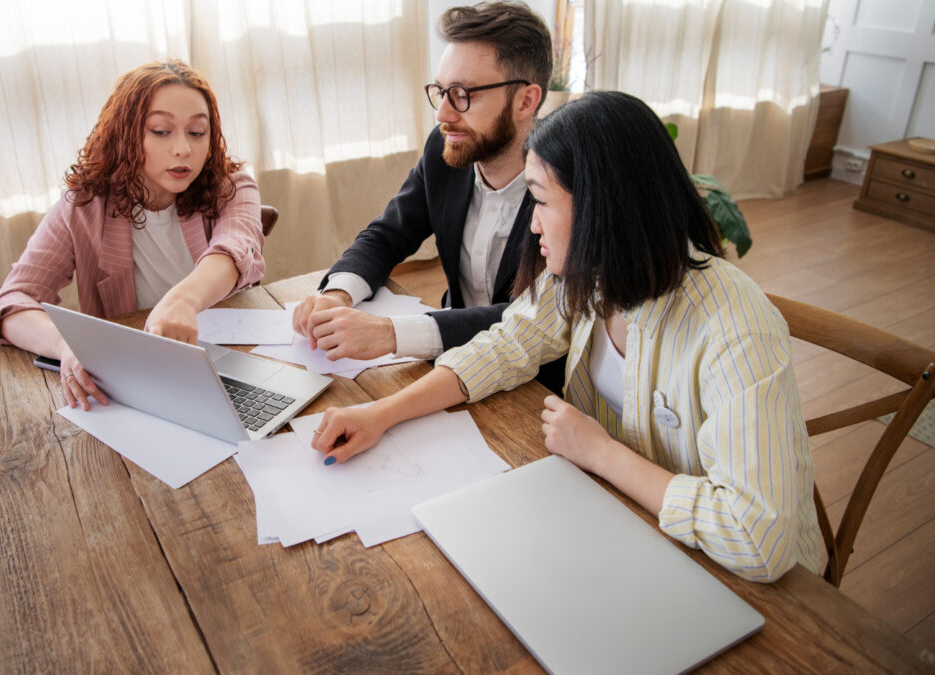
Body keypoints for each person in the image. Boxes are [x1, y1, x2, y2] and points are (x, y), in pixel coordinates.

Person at [312, 91, 821, 583]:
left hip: (740, 579)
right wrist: (380, 414)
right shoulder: (588, 273)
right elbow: (505, 346)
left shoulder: (735, 327)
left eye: (540, 201)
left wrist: (601, 453)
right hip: (618, 522)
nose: (532, 225)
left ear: (605, 207)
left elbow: (759, 538)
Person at [290, 1, 565, 393]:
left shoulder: (564, 185)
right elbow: (388, 234)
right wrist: (338, 294)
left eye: (464, 94)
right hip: (446, 364)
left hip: (535, 384)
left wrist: (391, 333)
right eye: (440, 91)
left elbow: (534, 319)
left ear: (526, 100)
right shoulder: (445, 149)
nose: (443, 114)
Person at [0, 60, 264, 411]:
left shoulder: (233, 187)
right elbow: (10, 303)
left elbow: (236, 249)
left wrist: (183, 301)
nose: (183, 149)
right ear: (125, 134)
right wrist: (68, 346)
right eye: (161, 131)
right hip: (134, 384)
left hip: (229, 368)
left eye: (197, 132)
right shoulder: (85, 206)